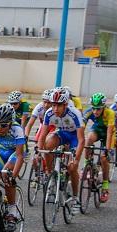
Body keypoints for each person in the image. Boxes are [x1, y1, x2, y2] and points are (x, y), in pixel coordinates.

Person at [37, 87, 84, 215]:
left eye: (58, 106)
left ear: (65, 105)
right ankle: (51, 174)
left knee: (72, 167)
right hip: (62, 134)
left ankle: (75, 199)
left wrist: (76, 158)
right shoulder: (49, 113)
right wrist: (39, 152)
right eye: (53, 105)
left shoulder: (75, 114)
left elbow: (81, 140)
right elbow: (42, 134)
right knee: (48, 144)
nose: (55, 109)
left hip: (74, 137)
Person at [83, 92, 116, 202]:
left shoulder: (110, 113)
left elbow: (110, 132)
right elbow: (81, 128)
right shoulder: (88, 111)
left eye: (98, 109)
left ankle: (105, 187)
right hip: (97, 130)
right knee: (88, 140)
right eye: (94, 108)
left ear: (103, 107)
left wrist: (106, 149)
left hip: (108, 133)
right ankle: (87, 164)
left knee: (103, 158)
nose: (95, 111)